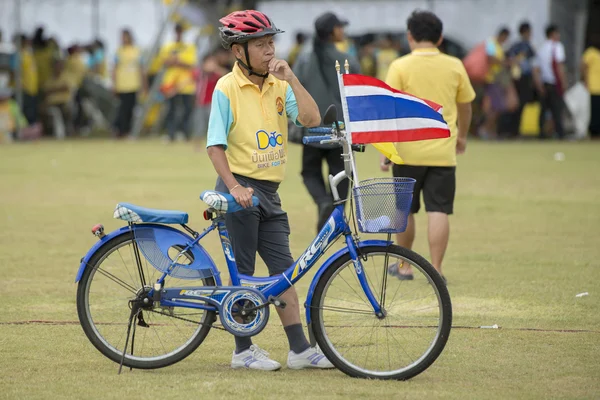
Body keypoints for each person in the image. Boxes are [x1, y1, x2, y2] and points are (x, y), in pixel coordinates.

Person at [206, 10, 330, 371]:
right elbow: (215, 147)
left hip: (270, 192)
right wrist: (234, 188)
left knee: (284, 272)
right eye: (259, 44)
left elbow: (311, 119)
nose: (269, 49)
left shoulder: (279, 84)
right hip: (239, 191)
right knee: (242, 275)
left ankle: (300, 350)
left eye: (271, 42)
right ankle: (242, 351)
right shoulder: (226, 88)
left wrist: (291, 77)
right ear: (238, 51)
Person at [383, 10, 475, 282]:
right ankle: (436, 269)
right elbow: (466, 106)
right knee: (439, 209)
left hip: (406, 150)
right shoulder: (455, 65)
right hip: (442, 151)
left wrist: (387, 150)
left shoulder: (399, 66)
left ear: (410, 36)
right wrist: (462, 136)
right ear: (440, 37)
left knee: (405, 209)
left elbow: (389, 109)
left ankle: (404, 266)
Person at [293, 11, 360, 231]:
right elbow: (356, 89)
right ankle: (337, 218)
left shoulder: (304, 57)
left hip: (311, 127)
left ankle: (322, 202)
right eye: (340, 27)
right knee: (341, 175)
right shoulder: (344, 58)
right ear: (333, 31)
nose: (343, 30)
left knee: (309, 172)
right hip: (339, 128)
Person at [159, 23, 197, 142]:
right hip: (170, 84)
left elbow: (191, 64)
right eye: (177, 31)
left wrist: (178, 61)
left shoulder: (189, 47)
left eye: (180, 31)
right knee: (171, 110)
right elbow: (164, 62)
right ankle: (171, 134)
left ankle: (185, 134)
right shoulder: (167, 47)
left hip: (186, 84)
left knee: (187, 110)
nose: (178, 34)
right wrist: (174, 61)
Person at [112, 29, 146, 138]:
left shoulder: (137, 51)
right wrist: (114, 84)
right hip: (122, 85)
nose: (123, 39)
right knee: (122, 109)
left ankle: (127, 131)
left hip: (134, 84)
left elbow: (141, 68)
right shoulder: (119, 51)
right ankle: (119, 130)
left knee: (131, 109)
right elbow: (114, 69)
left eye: (125, 37)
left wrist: (144, 85)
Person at [506, 22, 538, 137]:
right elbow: (533, 65)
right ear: (526, 32)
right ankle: (515, 130)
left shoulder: (514, 46)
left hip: (515, 78)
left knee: (515, 104)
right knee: (520, 104)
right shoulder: (526, 46)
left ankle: (511, 130)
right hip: (523, 78)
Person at [479, 27, 511, 139]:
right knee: (496, 106)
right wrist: (504, 62)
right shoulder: (491, 43)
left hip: (498, 79)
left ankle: (490, 131)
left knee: (496, 107)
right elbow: (490, 58)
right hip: (491, 79)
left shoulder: (499, 46)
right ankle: (485, 129)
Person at [536, 24, 567, 139]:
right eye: (557, 33)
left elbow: (536, 69)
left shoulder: (541, 48)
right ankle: (560, 134)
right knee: (557, 109)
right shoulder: (557, 46)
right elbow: (559, 66)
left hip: (544, 83)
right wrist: (563, 82)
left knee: (543, 110)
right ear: (553, 34)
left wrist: (539, 85)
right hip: (555, 83)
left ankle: (542, 134)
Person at [581, 34, 600, 138]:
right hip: (593, 87)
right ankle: (593, 132)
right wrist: (585, 80)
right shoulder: (591, 52)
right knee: (593, 112)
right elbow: (583, 66)